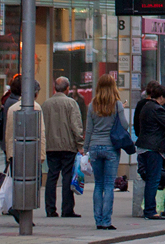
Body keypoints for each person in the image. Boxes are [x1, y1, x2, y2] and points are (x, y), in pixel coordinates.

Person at [85, 75, 124, 230]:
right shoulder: (117, 104)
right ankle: (107, 221)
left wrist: (86, 149)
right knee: (109, 185)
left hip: (95, 146)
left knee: (98, 185)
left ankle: (98, 220)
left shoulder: (92, 105)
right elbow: (125, 125)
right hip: (111, 148)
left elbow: (89, 130)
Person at [4, 81, 46, 223]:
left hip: (16, 152)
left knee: (19, 182)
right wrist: (41, 154)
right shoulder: (36, 107)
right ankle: (22, 210)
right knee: (33, 183)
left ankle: (19, 208)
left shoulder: (12, 108)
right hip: (31, 153)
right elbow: (41, 133)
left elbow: (9, 133)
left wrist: (9, 153)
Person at [43, 77, 84, 218]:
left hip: (51, 145)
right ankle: (67, 209)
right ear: (67, 89)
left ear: (55, 88)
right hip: (68, 146)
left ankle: (50, 209)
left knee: (52, 176)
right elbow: (76, 126)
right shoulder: (71, 103)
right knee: (67, 176)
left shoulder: (46, 104)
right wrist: (80, 144)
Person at [136, 82, 165, 220]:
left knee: (150, 179)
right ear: (161, 97)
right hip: (154, 147)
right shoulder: (157, 109)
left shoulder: (145, 106)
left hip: (143, 146)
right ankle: (150, 210)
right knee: (154, 179)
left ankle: (149, 209)